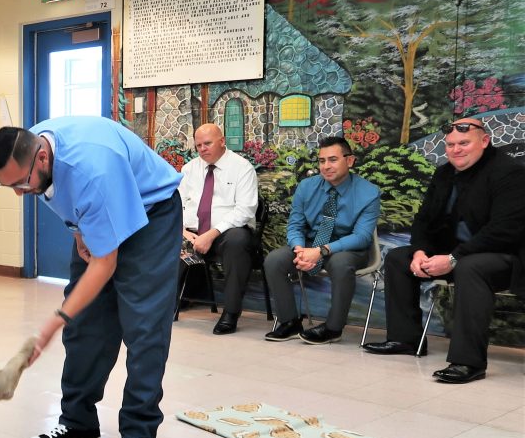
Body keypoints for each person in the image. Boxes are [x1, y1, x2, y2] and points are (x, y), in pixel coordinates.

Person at [0, 117, 182, 438]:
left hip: (152, 212)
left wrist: (52, 323)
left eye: (19, 183)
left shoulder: (91, 168)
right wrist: (78, 231)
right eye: (7, 185)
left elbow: (105, 264)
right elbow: (66, 199)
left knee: (143, 325)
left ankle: (139, 435)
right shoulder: (33, 151)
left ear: (42, 158)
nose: (18, 192)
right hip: (103, 203)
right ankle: (79, 423)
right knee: (86, 325)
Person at [363, 118, 525, 384]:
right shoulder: (443, 174)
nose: (456, 150)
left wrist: (453, 259)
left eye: (463, 143)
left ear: (484, 142)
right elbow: (424, 219)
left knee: (470, 267)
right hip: (451, 253)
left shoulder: (509, 172)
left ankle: (467, 362)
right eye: (450, 145)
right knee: (397, 258)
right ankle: (405, 339)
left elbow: (505, 230)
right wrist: (419, 252)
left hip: (502, 257)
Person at [263, 137, 380, 344]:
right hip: (310, 244)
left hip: (349, 248)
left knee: (340, 263)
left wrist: (322, 251)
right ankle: (289, 322)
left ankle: (333, 328)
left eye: (333, 160)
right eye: (322, 161)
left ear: (350, 161)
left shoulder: (369, 192)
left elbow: (362, 237)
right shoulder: (306, 187)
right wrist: (300, 249)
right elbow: (295, 225)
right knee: (274, 260)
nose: (326, 166)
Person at [178, 123, 258, 334]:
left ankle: (231, 313)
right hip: (192, 232)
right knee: (161, 237)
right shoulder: (189, 169)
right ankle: (163, 304)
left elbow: (246, 210)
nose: (202, 149)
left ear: (222, 141)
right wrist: (182, 231)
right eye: (198, 145)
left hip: (226, 233)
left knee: (237, 241)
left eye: (207, 143)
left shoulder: (242, 168)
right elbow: (177, 204)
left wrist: (211, 234)